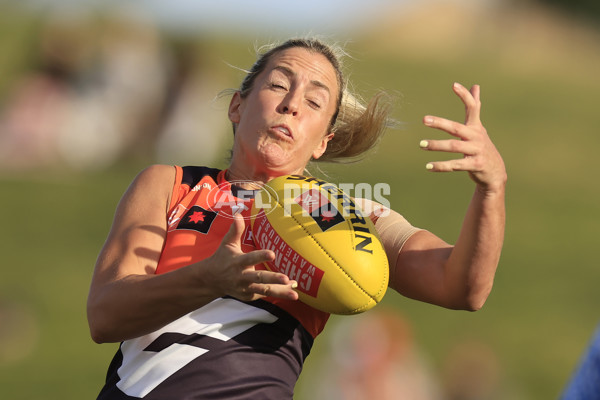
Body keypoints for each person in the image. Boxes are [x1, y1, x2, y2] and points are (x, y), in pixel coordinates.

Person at [87, 38, 506, 399]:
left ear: (323, 141)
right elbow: (105, 316)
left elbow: (461, 285)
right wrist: (207, 280)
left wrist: (491, 189)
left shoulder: (340, 217)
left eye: (314, 101)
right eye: (278, 85)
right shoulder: (170, 185)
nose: (291, 105)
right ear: (237, 106)